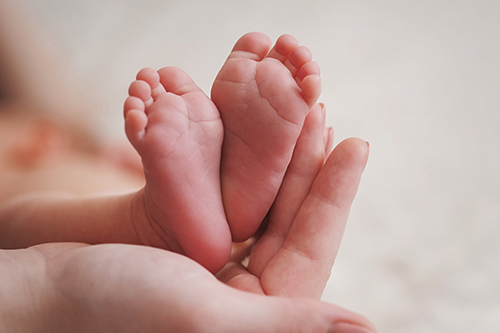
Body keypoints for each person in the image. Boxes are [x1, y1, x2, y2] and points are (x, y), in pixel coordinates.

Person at [0, 1, 375, 331]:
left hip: (65, 185)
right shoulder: (61, 131)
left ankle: (162, 216)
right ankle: (217, 209)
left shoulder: (45, 139)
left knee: (16, 216)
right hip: (111, 186)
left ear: (39, 140)